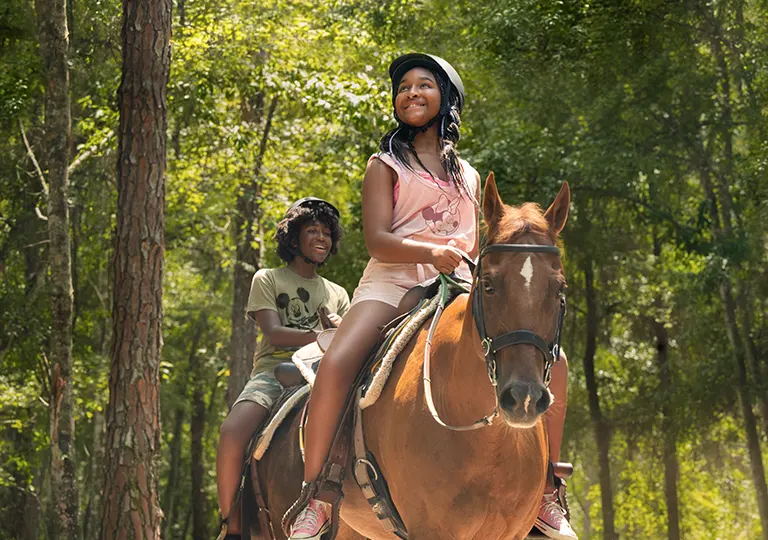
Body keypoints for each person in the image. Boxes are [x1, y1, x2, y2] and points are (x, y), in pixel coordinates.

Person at [286, 53, 577, 540]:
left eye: (424, 85)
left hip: (458, 285)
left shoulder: (467, 174)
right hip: (392, 283)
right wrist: (431, 250)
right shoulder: (384, 166)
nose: (412, 93)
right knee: (337, 363)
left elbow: (475, 242)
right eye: (403, 87)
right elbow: (377, 239)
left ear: (448, 99)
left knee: (557, 360)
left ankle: (547, 491)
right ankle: (317, 492)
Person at [216, 197, 350, 540]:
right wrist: (322, 334)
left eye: (327, 233)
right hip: (274, 373)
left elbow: (344, 345)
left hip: (321, 376)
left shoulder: (338, 293)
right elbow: (273, 332)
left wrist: (340, 329)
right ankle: (232, 523)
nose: (322, 238)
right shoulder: (268, 278)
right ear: (294, 238)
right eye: (312, 231)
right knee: (232, 432)